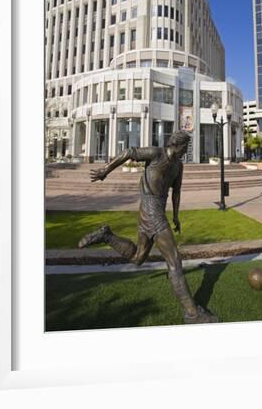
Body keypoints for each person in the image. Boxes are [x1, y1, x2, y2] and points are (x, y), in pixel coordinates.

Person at [78, 130, 218, 324]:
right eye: (186, 147)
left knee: (138, 258)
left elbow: (176, 192)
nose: (186, 151)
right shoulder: (156, 153)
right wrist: (105, 171)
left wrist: (176, 216)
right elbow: (128, 152)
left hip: (152, 210)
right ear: (177, 145)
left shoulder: (178, 166)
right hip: (151, 210)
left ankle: (107, 235)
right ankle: (193, 314)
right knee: (174, 261)